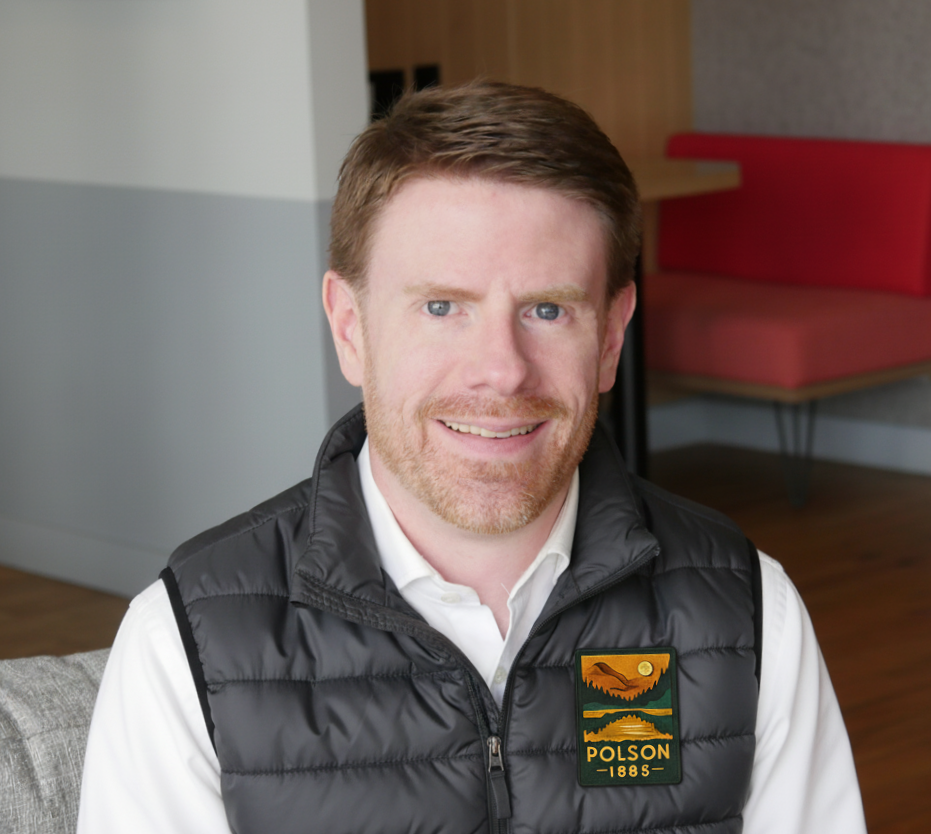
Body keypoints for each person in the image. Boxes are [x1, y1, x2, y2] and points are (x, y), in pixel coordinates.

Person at [78, 81, 866, 834]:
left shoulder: (751, 612)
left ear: (611, 338)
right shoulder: (182, 644)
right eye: (442, 306)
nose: (502, 368)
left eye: (548, 309)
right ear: (350, 327)